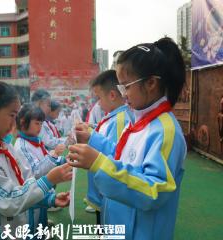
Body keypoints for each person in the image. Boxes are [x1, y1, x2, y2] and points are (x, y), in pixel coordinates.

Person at [68, 37, 187, 240]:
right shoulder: (138, 120)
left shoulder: (166, 131)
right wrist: (92, 139)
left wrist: (99, 163)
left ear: (151, 83)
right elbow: (122, 155)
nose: (123, 94)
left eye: (126, 86)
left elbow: (154, 190)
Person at [0, 82, 72, 240]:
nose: (15, 123)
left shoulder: (5, 146)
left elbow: (25, 182)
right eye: (12, 115)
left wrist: (50, 199)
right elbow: (8, 200)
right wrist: (49, 179)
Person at [77, 70, 133, 220]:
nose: (98, 103)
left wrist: (91, 136)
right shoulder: (113, 117)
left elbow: (117, 154)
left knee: (106, 228)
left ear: (113, 95)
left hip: (108, 193)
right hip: (102, 190)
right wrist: (90, 130)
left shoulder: (121, 119)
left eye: (99, 98)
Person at [14, 103, 67, 235]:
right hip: (31, 192)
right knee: (33, 221)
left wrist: (64, 160)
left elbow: (44, 158)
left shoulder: (34, 140)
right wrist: (55, 155)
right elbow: (36, 171)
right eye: (37, 123)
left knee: (41, 216)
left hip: (41, 190)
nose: (40, 127)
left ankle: (42, 230)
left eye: (41, 123)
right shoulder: (22, 146)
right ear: (23, 122)